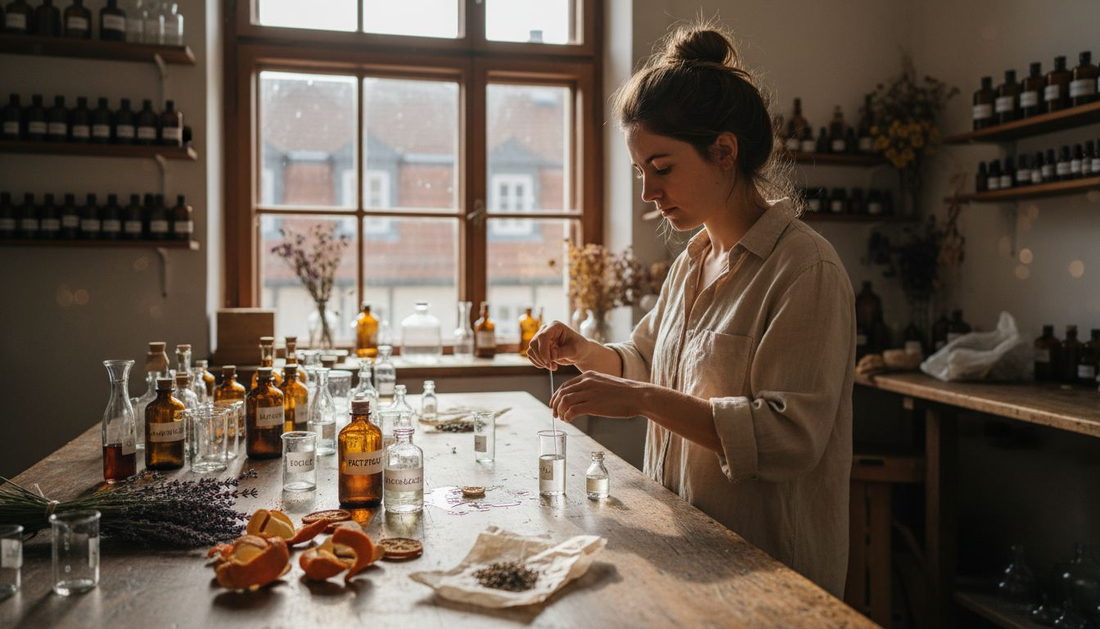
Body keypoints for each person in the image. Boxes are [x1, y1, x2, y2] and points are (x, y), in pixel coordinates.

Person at [526, 24, 855, 597]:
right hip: (690, 551)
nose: (649, 192)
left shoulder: (806, 270)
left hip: (770, 573)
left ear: (724, 152)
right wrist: (587, 353)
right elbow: (649, 360)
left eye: (663, 167)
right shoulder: (692, 263)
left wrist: (640, 400)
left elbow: (788, 436)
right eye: (640, 172)